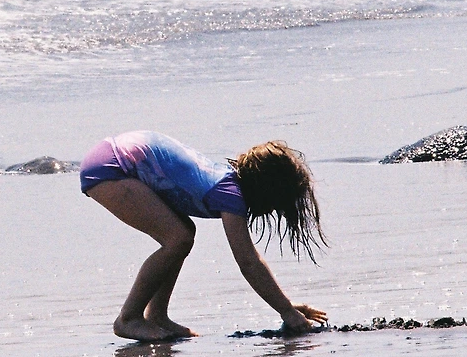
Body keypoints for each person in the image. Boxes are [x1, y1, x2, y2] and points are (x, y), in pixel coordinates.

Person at [81, 131, 328, 342]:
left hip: (116, 156)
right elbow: (248, 261)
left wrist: (285, 306)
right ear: (267, 189)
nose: (274, 210)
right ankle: (128, 318)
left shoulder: (226, 181)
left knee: (183, 234)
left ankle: (157, 316)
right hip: (112, 166)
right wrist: (285, 310)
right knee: (177, 238)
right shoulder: (229, 194)